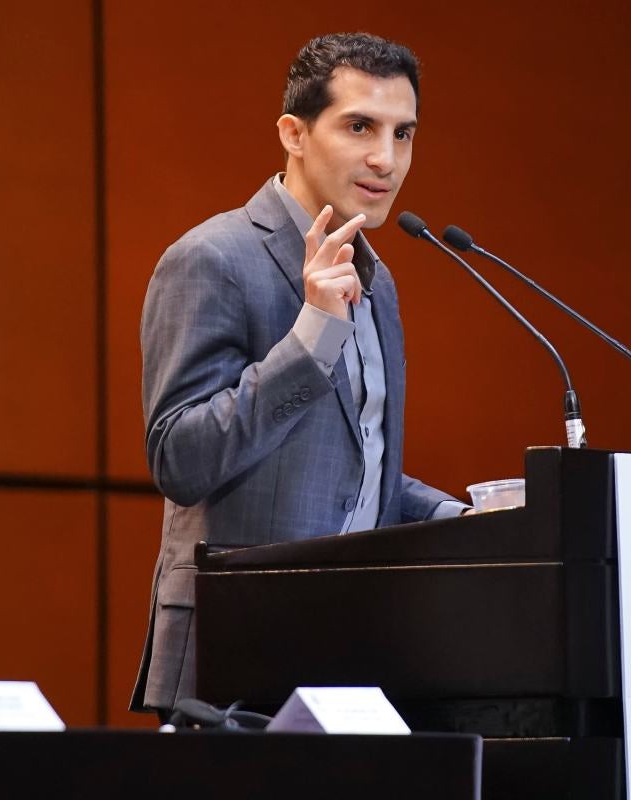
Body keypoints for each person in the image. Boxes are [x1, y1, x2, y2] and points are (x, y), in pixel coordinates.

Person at [130, 32, 466, 715]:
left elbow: (358, 468)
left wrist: (471, 518)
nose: (386, 158)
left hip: (351, 652)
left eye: (403, 133)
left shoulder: (379, 284)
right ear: (294, 133)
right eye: (359, 126)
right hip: (234, 657)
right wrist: (311, 336)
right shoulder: (212, 258)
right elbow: (180, 458)